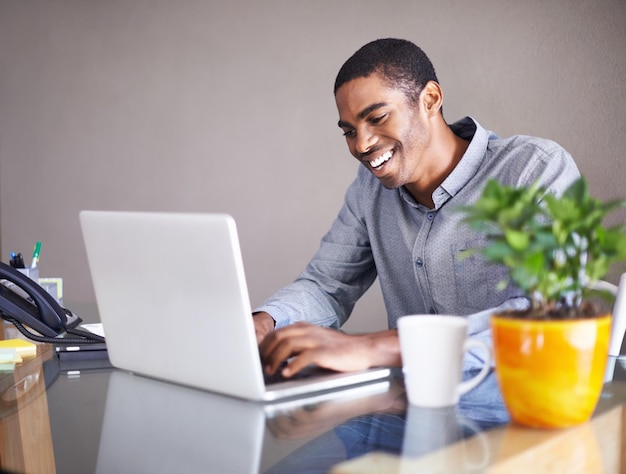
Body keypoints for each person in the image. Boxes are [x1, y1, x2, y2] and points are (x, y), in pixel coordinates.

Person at [254, 38, 580, 378]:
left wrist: (375, 347)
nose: (362, 144)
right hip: (411, 403)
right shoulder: (369, 190)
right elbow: (326, 285)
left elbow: (552, 311)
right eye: (349, 131)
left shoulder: (533, 169)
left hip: (522, 403)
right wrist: (264, 322)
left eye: (377, 117)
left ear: (430, 100)